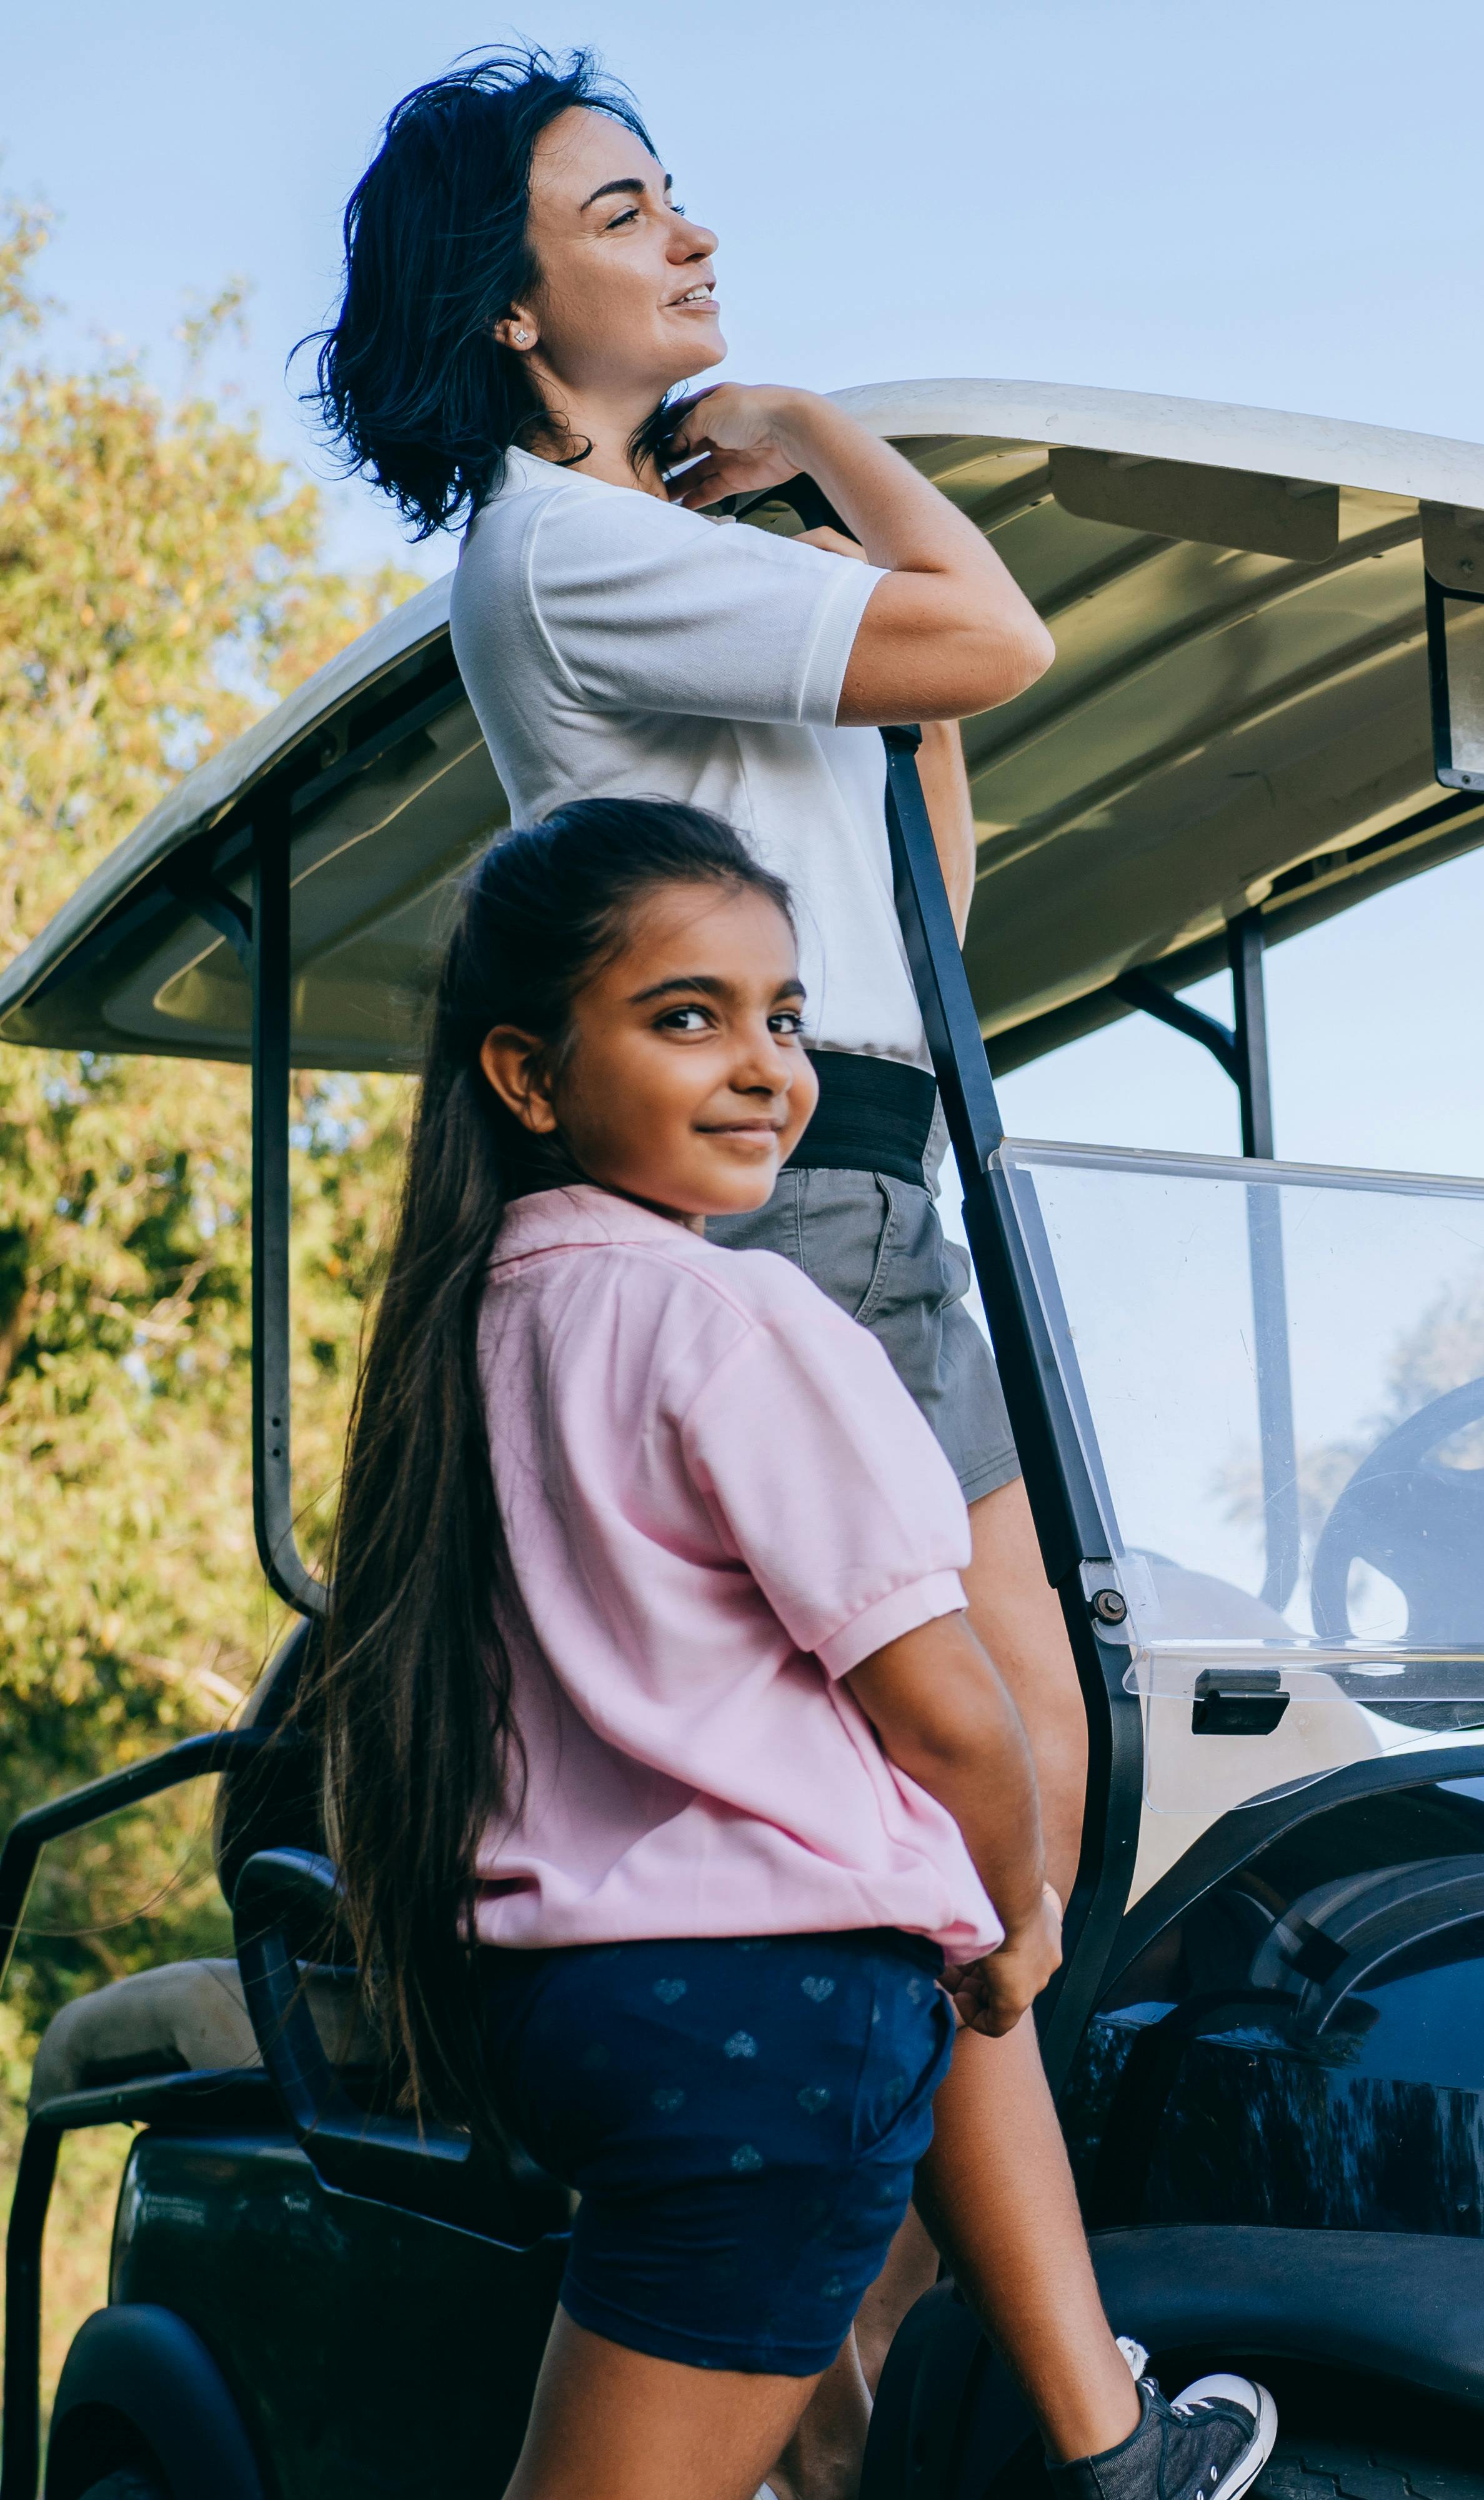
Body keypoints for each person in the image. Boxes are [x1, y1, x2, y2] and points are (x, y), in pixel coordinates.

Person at [307, 52, 1084, 2476]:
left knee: (1011, 1792)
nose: (685, 240)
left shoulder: (656, 551)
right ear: (519, 312)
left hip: (880, 1150)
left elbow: (925, 829)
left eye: (674, 199)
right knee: (967, 1783)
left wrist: (825, 516)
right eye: (622, 212)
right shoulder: (571, 539)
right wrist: (841, 436)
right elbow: (999, 641)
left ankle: (961, 2385)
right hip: (818, 1193)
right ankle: (934, 2411)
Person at [289, 801, 1270, 2500]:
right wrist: (1028, 1902)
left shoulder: (479, 1320)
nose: (764, 1067)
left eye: (787, 1017)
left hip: (581, 2000)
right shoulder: (740, 1317)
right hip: (761, 2031)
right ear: (527, 1076)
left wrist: (973, 1919)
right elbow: (951, 1709)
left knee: (926, 1926)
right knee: (954, 1924)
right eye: (689, 1018)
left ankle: (1107, 2445)